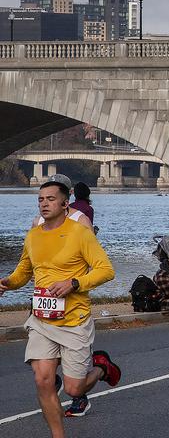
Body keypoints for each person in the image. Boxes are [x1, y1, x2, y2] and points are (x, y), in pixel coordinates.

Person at [0, 179, 118, 434]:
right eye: (41, 199)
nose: (44, 203)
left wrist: (74, 283)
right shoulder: (33, 235)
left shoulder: (80, 233)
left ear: (66, 204)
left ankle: (101, 368)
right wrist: (8, 282)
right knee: (43, 380)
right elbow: (24, 271)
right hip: (42, 320)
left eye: (50, 199)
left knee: (74, 389)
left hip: (73, 320)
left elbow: (106, 271)